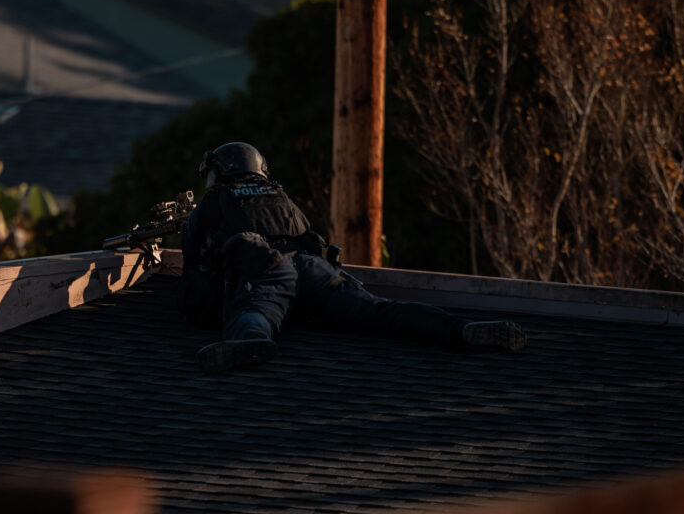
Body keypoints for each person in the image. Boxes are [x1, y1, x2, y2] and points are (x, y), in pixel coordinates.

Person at [181, 141, 527, 373]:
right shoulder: (282, 199)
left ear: (219, 171)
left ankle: (250, 344)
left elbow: (196, 291)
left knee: (256, 314)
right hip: (314, 271)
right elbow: (311, 242)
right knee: (379, 311)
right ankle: (459, 329)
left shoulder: (213, 204)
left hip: (267, 273)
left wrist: (215, 310)